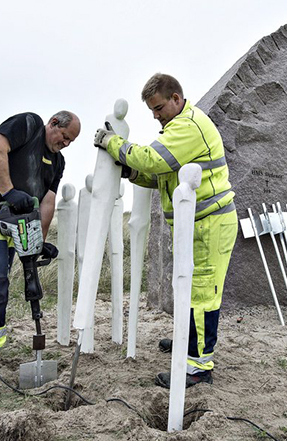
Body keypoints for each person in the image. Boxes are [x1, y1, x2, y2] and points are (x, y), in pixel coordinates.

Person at [94, 73, 238, 388]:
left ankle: (198, 367)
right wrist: (132, 171)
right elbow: (160, 174)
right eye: (152, 111)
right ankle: (188, 342)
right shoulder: (178, 127)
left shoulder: (188, 126)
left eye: (158, 108)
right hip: (195, 225)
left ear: (175, 98)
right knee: (186, 287)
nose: (155, 115)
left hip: (209, 224)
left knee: (202, 294)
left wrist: (112, 143)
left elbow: (154, 159)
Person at [0, 110, 81, 383]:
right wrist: (8, 191)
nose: (66, 143)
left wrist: (38, 243)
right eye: (65, 137)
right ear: (54, 123)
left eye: (71, 142)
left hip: (12, 221)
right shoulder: (28, 125)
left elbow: (47, 200)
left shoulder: (57, 161)